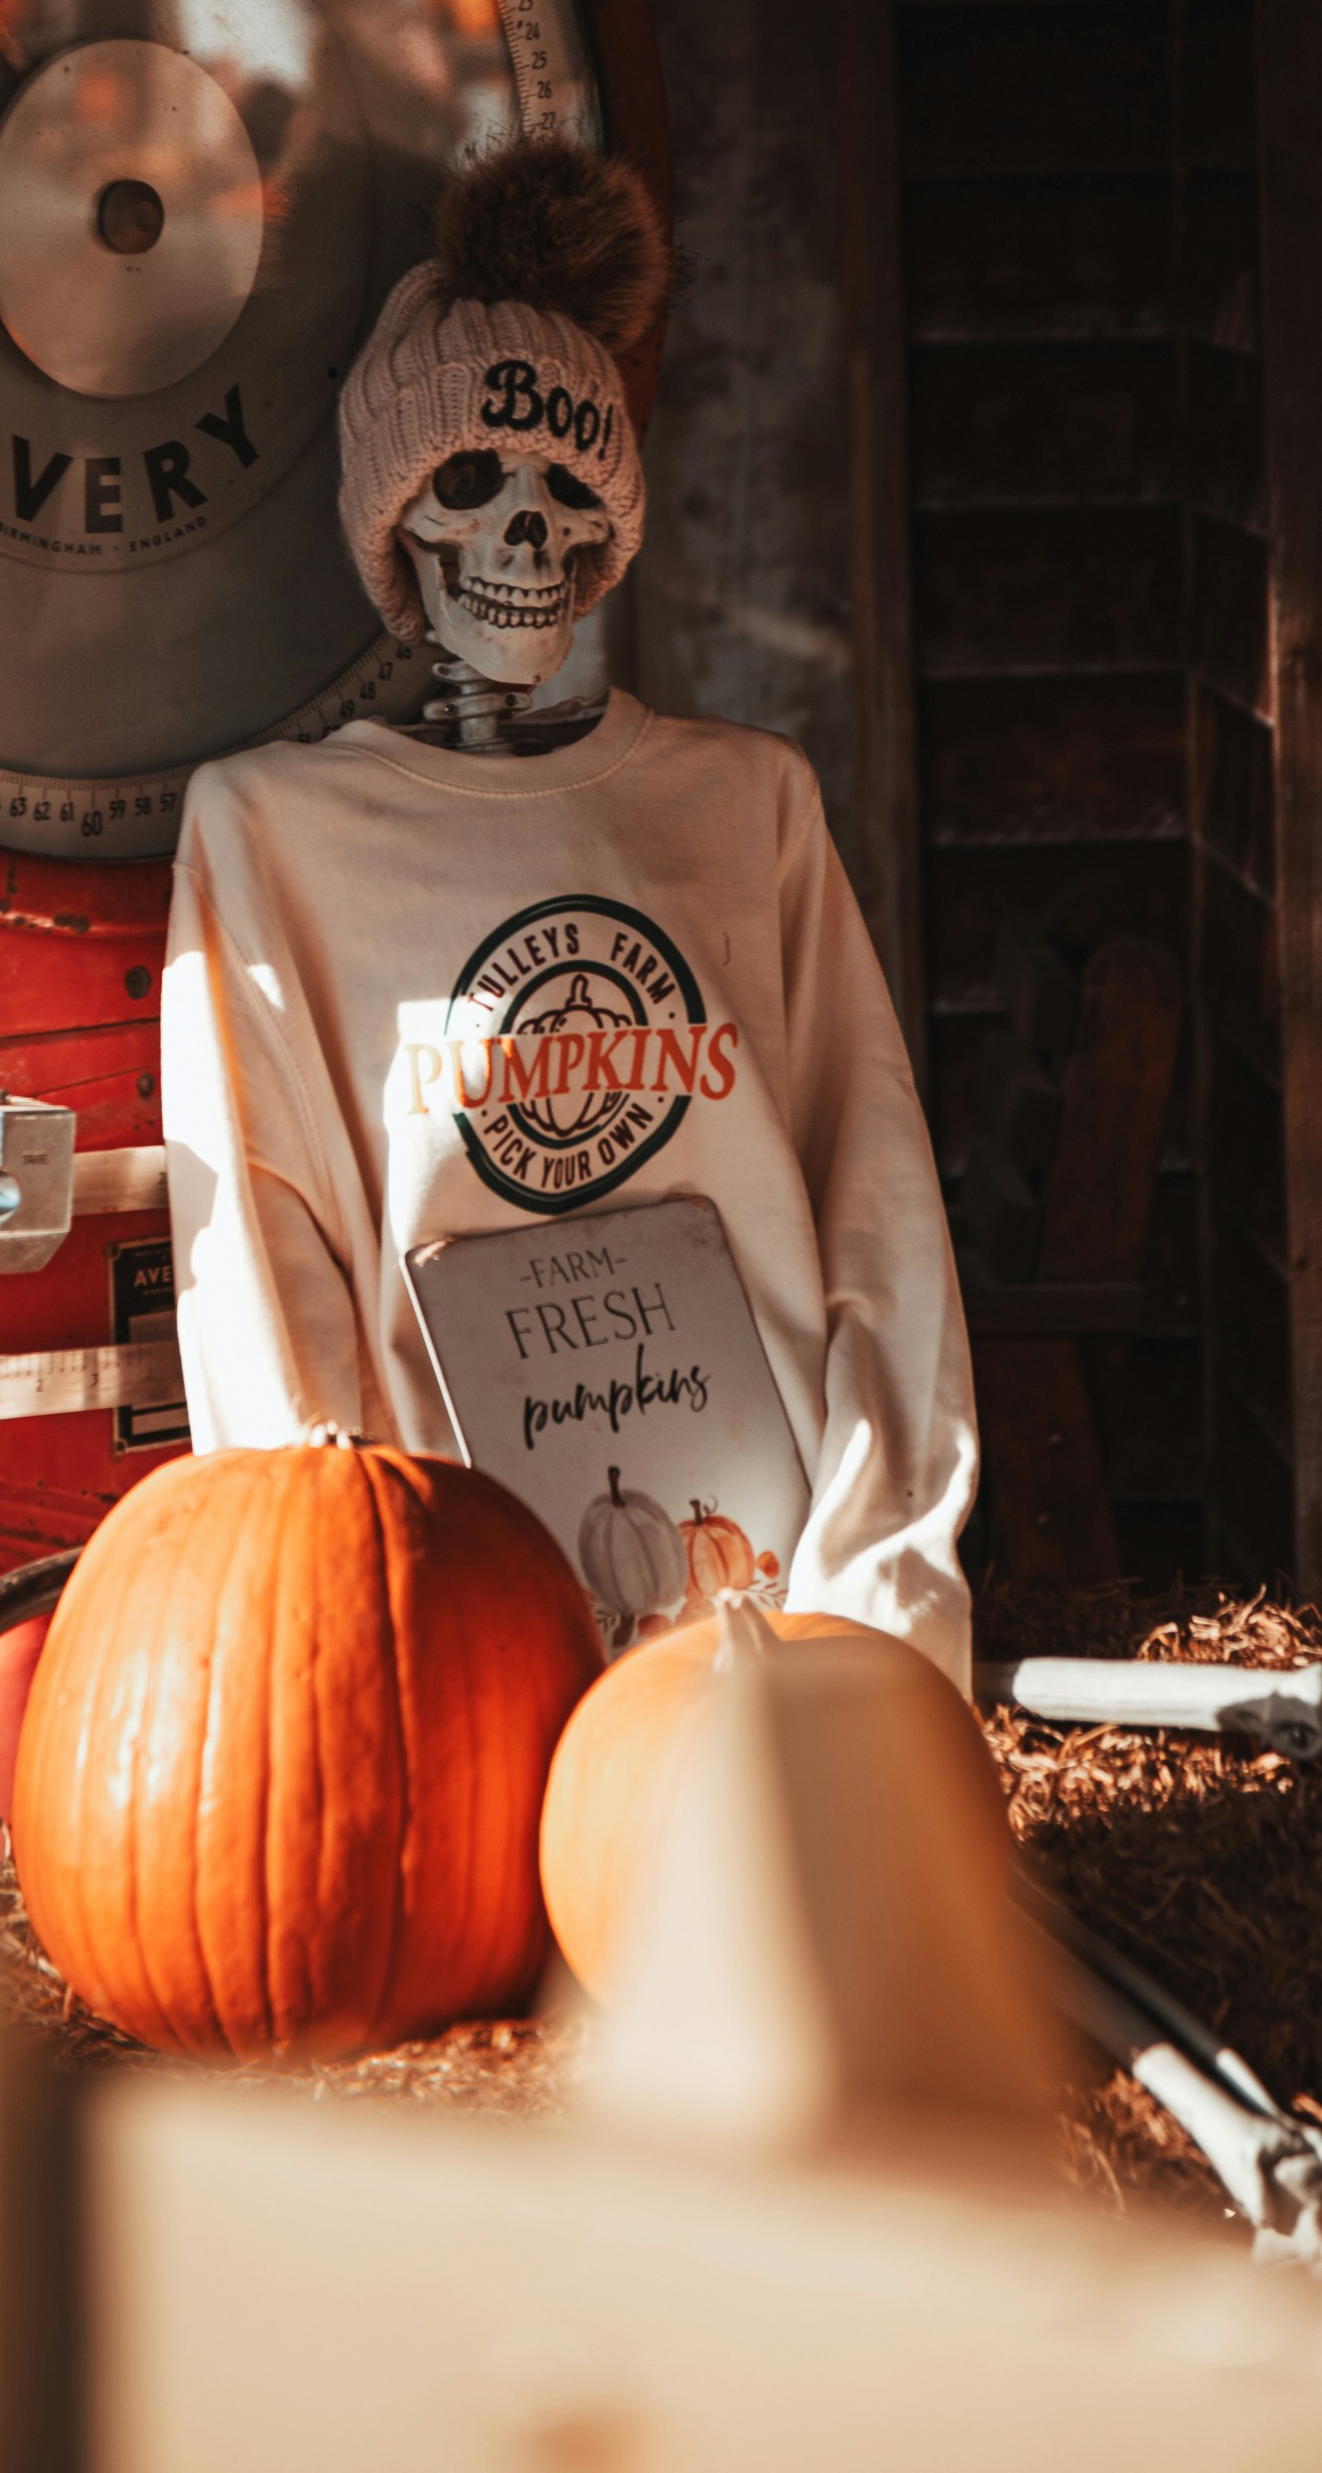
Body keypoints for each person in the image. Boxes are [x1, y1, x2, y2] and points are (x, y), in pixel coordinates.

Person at [160, 139, 978, 1685]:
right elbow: (257, 1266)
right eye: (470, 488)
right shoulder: (272, 834)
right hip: (463, 1638)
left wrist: (882, 1605)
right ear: (395, 521)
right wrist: (352, 1620)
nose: (523, 535)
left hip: (773, 1615)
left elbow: (876, 1210)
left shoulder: (743, 807)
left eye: (564, 493)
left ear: (611, 528)